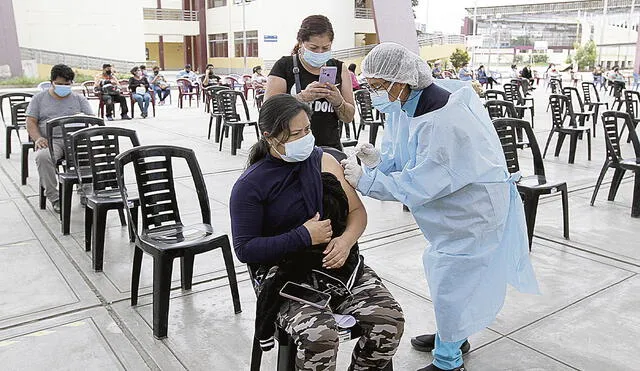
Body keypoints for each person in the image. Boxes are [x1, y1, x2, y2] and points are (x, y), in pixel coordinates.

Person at [341, 43, 539, 371]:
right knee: (445, 277)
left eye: (377, 86)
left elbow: (421, 183)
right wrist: (379, 161)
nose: (374, 93)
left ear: (400, 80)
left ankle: (449, 361)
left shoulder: (443, 118)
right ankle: (453, 335)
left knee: (452, 281)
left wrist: (368, 182)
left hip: (472, 212)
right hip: (451, 209)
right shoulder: (405, 104)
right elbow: (405, 156)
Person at [229, 94, 404, 370]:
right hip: (284, 273)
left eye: (307, 130)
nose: (304, 138)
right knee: (319, 335)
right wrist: (303, 236)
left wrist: (345, 242)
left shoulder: (323, 162)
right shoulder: (251, 185)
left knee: (389, 319)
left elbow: (357, 213)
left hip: (337, 264)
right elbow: (245, 249)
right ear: (270, 137)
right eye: (295, 134)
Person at [265, 15, 355, 150]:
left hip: (329, 148)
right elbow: (268, 113)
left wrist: (338, 101)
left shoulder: (339, 68)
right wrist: (301, 98)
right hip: (290, 149)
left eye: (326, 48)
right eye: (313, 48)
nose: (320, 52)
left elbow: (349, 117)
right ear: (301, 43)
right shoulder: (284, 66)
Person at [26, 64, 94, 213]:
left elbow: (92, 120)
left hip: (75, 139)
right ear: (51, 82)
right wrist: (37, 138)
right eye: (59, 84)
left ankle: (86, 191)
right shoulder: (39, 99)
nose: (63, 87)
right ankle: (55, 198)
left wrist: (82, 119)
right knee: (43, 157)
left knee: (89, 152)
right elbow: (30, 122)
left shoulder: (79, 99)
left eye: (67, 84)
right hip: (51, 140)